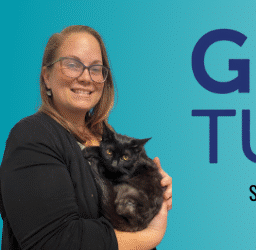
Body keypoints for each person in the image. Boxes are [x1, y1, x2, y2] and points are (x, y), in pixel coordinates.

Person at [0, 25, 172, 250]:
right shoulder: (32, 137)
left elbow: (133, 218)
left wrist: (152, 190)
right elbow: (57, 242)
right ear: (47, 77)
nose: (85, 77)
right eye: (72, 65)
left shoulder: (114, 145)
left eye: (96, 68)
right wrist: (152, 236)